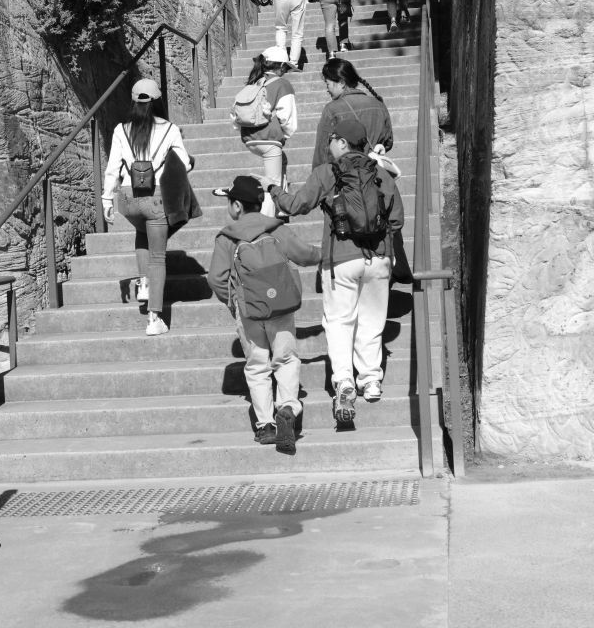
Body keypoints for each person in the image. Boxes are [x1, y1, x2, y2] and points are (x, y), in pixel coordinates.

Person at [270, 118, 404, 417]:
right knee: (371, 321)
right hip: (379, 258)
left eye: (331, 138)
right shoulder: (380, 173)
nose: (327, 143)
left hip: (340, 258)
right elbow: (396, 218)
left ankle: (343, 379)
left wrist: (274, 191)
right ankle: (371, 381)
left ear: (343, 143)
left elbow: (296, 205)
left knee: (339, 321)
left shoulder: (327, 173)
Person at [208, 175, 321, 453]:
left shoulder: (228, 237)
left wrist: (233, 303)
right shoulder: (276, 229)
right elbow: (304, 254)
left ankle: (266, 425)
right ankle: (287, 408)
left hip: (248, 310)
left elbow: (216, 277)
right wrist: (327, 254)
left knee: (257, 365)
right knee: (286, 358)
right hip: (280, 305)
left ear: (236, 206)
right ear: (262, 202)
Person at [101, 78, 192, 336]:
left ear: (133, 100)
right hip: (155, 198)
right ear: (157, 100)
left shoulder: (121, 129)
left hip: (128, 201)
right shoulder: (170, 129)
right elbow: (184, 163)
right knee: (158, 257)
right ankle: (154, 319)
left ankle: (143, 284)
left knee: (142, 234)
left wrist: (107, 200)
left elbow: (112, 169)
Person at [237, 47, 297, 213]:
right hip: (270, 139)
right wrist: (283, 134)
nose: (285, 72)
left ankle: (282, 208)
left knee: (282, 162)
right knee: (272, 185)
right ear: (281, 66)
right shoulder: (282, 84)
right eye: (286, 68)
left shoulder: (254, 81)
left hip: (250, 139)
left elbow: (236, 114)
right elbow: (288, 118)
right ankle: (266, 224)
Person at [311, 57, 393, 168]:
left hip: (346, 177)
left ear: (341, 83)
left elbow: (322, 152)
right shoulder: (379, 105)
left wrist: (318, 177)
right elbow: (388, 142)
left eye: (327, 84)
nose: (327, 89)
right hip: (374, 174)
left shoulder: (332, 109)